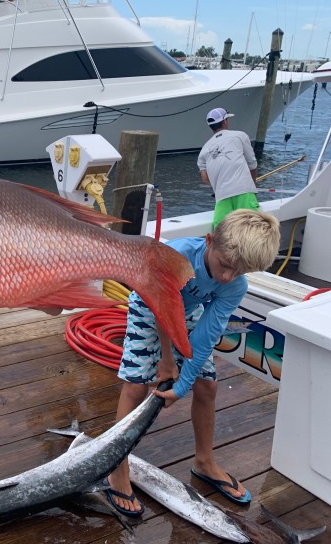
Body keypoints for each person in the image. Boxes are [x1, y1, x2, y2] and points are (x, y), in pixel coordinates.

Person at [105, 209, 280, 517]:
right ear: (210, 241)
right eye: (224, 265)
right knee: (136, 386)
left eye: (237, 272)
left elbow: (205, 337)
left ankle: (204, 461)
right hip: (150, 305)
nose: (227, 277)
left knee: (208, 384)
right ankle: (117, 467)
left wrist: (182, 386)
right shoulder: (178, 256)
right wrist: (168, 360)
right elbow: (160, 306)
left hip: (187, 310)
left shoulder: (234, 285)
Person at [197, 108, 259, 229]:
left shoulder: (204, 149)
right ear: (225, 122)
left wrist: (221, 179)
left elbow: (205, 178)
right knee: (252, 230)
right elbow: (252, 164)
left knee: (221, 235)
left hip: (221, 196)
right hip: (244, 192)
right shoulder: (240, 136)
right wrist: (253, 183)